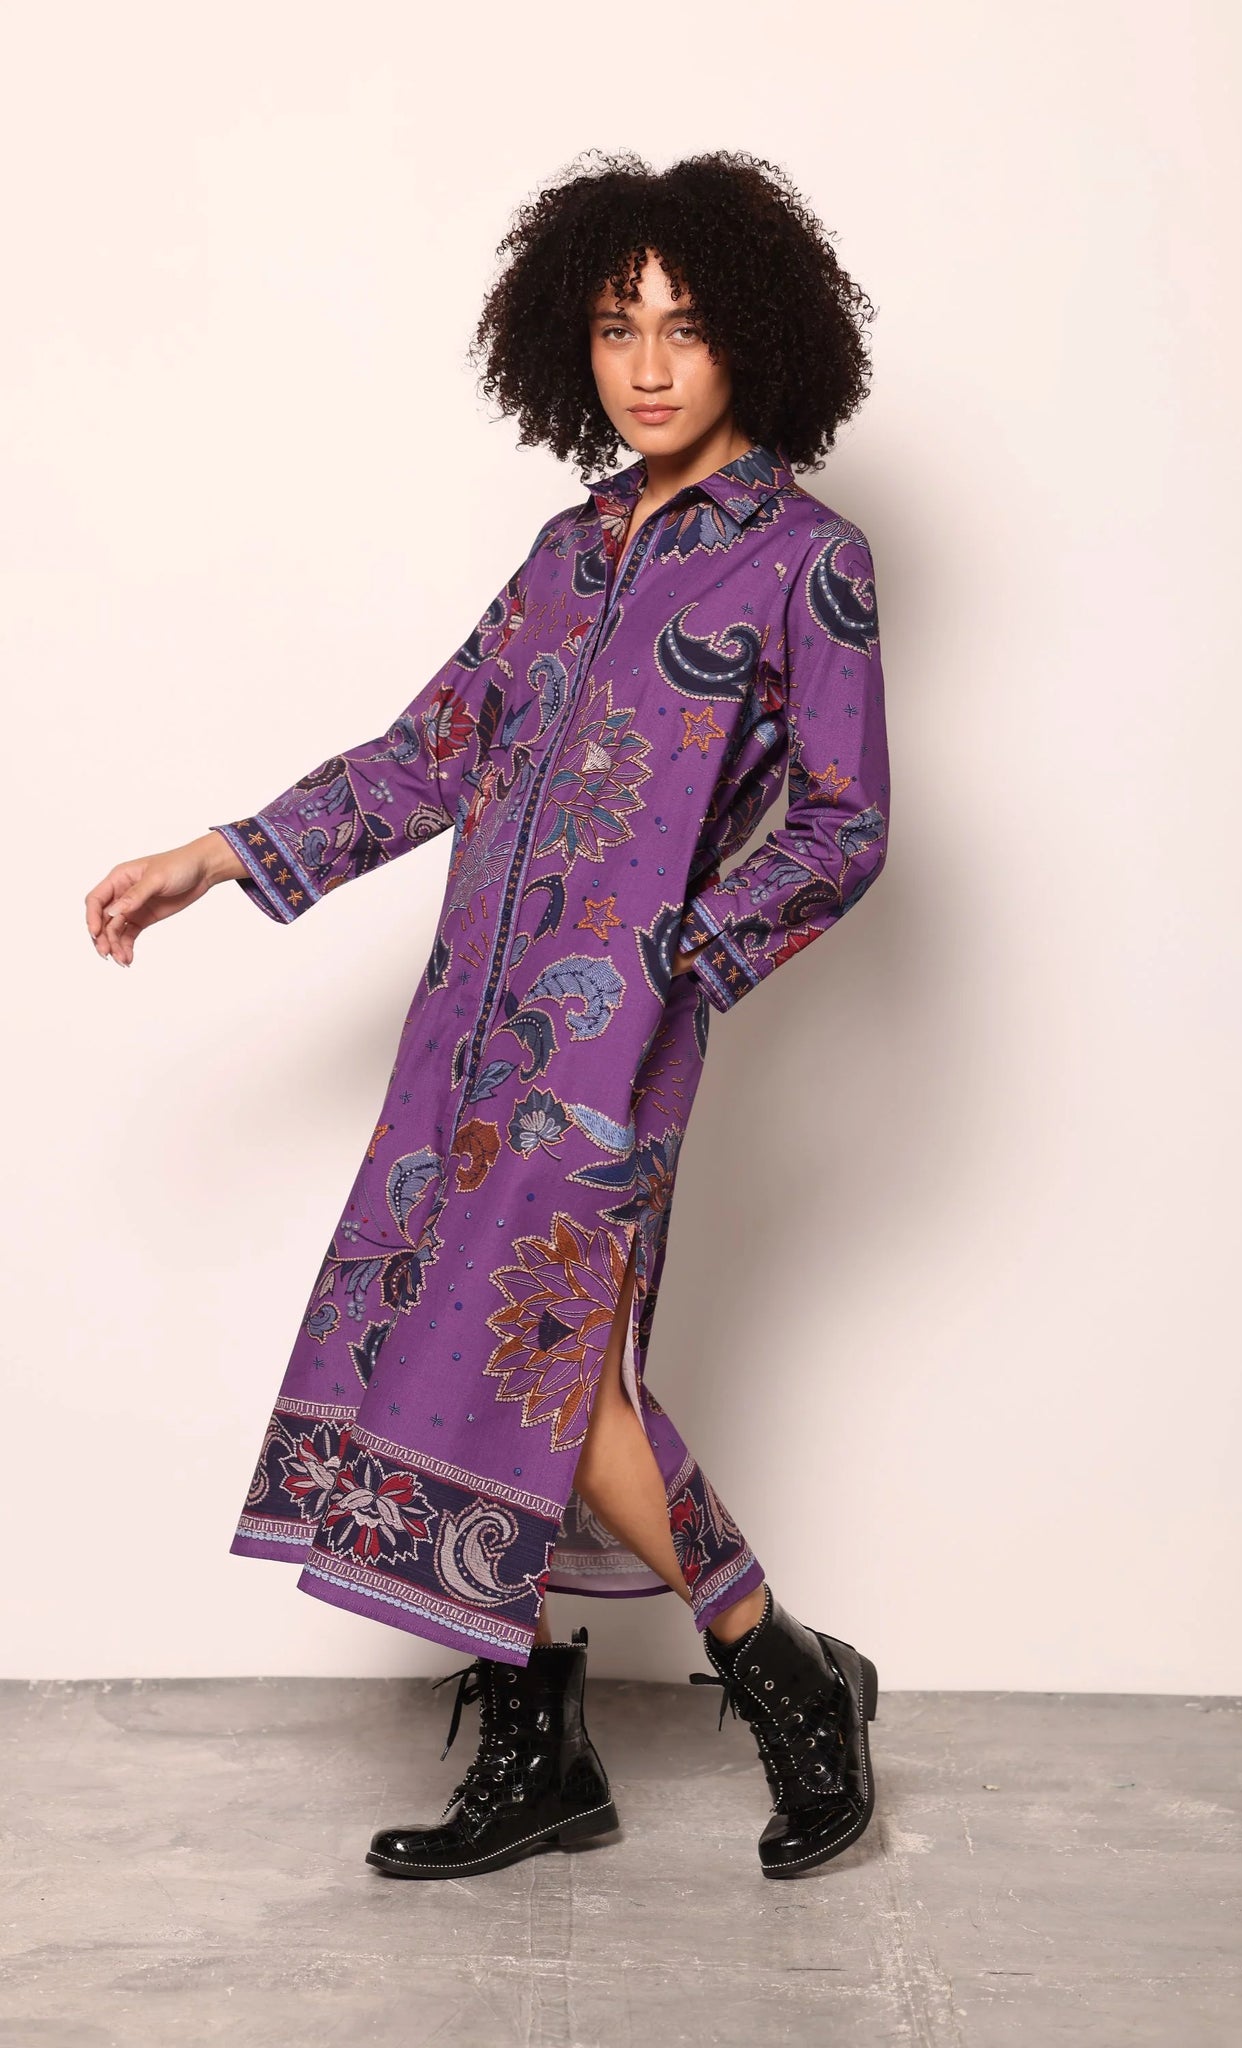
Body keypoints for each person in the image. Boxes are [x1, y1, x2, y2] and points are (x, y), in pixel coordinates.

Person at [85, 148, 891, 1881]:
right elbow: (427, 755)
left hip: (613, 1046)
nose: (648, 366)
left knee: (553, 1373)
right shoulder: (564, 552)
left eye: (684, 327)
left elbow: (842, 824)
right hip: (461, 1029)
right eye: (615, 328)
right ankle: (541, 1752)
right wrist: (220, 852)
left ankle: (782, 1673)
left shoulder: (804, 562)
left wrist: (683, 953)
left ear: (754, 337)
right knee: (457, 1364)